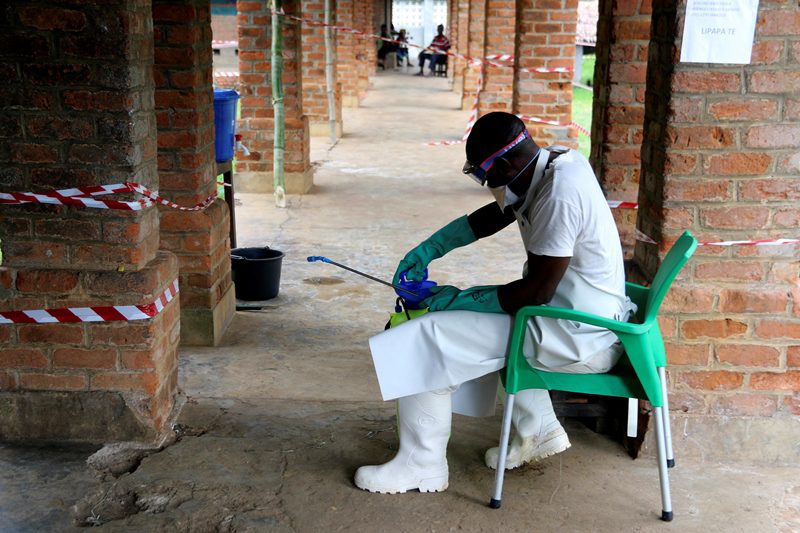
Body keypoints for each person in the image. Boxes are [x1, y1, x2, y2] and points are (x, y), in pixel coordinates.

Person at [354, 112, 636, 494]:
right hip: (583, 318)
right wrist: (431, 248)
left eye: (483, 176)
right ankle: (538, 430)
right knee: (469, 319)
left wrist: (457, 299)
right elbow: (497, 214)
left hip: (575, 336)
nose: (485, 185)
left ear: (505, 164)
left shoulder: (559, 195)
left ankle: (421, 465)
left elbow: (535, 293)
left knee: (424, 336)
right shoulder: (553, 164)